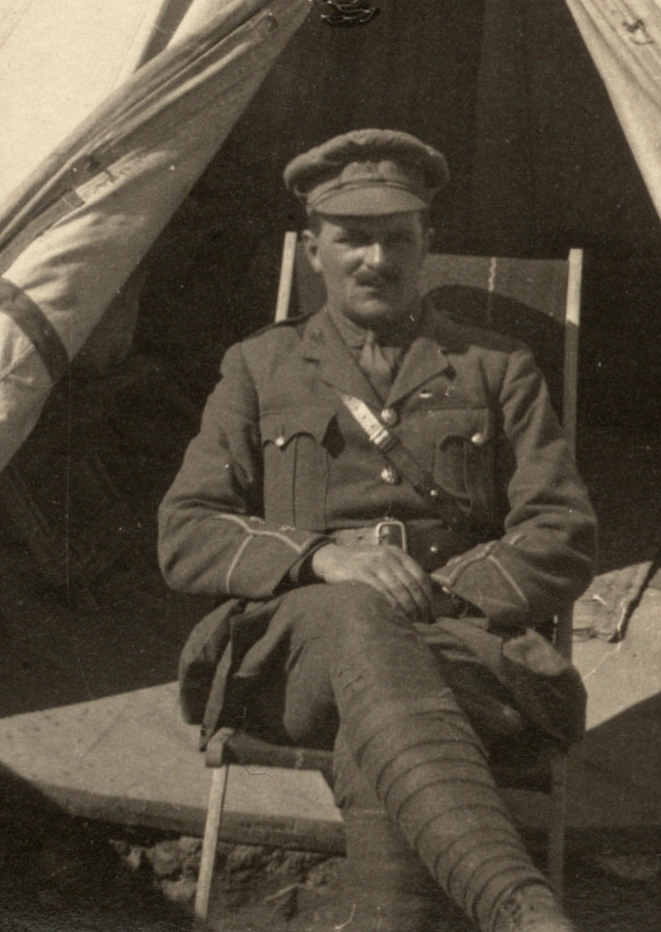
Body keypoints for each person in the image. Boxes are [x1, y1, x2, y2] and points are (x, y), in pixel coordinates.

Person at [159, 129, 598, 932]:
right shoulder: (259, 366)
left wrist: (436, 594)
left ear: (428, 243)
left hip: (458, 644)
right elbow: (186, 529)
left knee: (383, 724)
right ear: (313, 248)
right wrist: (324, 558)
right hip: (293, 658)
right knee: (356, 617)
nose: (376, 258)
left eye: (398, 236)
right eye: (352, 237)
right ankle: (521, 905)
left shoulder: (497, 366)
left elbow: (562, 525)